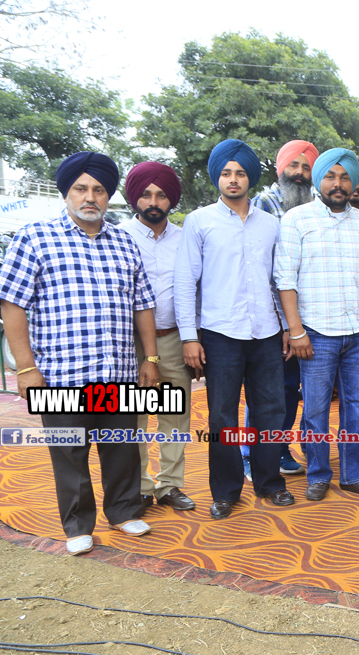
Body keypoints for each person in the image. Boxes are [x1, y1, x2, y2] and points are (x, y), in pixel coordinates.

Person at [0, 152, 158, 554]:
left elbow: (143, 305)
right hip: (60, 373)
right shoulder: (34, 237)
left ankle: (124, 511)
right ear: (66, 192)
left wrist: (150, 358)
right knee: (69, 452)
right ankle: (77, 525)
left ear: (109, 195)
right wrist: (25, 369)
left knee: (121, 447)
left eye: (99, 190)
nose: (90, 197)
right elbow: (12, 304)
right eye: (81, 189)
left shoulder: (124, 241)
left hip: (118, 371)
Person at [175, 139, 294, 520]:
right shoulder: (199, 221)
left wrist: (287, 327)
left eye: (240, 173)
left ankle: (270, 482)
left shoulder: (270, 225)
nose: (233, 179)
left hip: (266, 332)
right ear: (217, 177)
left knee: (271, 410)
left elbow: (279, 281)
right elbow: (185, 282)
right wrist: (189, 337)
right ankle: (226, 491)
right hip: (220, 332)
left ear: (250, 178)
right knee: (222, 415)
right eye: (226, 173)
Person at [275, 148, 359, 501]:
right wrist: (296, 331)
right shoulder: (296, 219)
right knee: (315, 410)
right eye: (330, 176)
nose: (337, 184)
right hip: (315, 333)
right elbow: (285, 280)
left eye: (344, 177)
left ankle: (353, 475)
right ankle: (318, 474)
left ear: (352, 183)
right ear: (318, 180)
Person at [119, 162, 196, 513]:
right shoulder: (118, 236)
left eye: (162, 195)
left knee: (175, 416)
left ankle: (170, 486)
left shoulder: (185, 238)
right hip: (129, 343)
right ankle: (140, 486)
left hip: (175, 338)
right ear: (134, 197)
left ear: (171, 199)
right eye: (146, 194)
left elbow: (196, 288)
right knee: (134, 417)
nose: (153, 202)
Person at [250, 140, 320, 477]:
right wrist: (283, 323)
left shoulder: (316, 204)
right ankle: (251, 454)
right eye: (294, 165)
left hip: (309, 317)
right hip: (274, 319)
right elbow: (262, 269)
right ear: (280, 168)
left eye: (306, 167)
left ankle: (278, 449)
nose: (299, 173)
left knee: (292, 390)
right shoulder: (263, 204)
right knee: (267, 391)